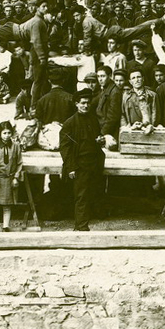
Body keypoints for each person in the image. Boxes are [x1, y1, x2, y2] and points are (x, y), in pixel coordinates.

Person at [60, 91, 106, 231]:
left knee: (93, 192)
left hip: (93, 163)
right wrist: (71, 167)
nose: (86, 106)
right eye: (83, 103)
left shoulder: (93, 120)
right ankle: (81, 226)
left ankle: (90, 219)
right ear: (76, 104)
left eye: (88, 103)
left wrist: (100, 140)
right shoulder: (70, 123)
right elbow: (65, 148)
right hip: (80, 165)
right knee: (81, 196)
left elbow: (96, 138)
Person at [0, 121, 24, 232]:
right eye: (4, 133)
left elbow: (19, 163)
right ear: (0, 134)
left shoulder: (16, 147)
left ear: (12, 133)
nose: (7, 136)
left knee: (7, 205)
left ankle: (6, 226)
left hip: (9, 179)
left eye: (9, 133)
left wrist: (16, 177)